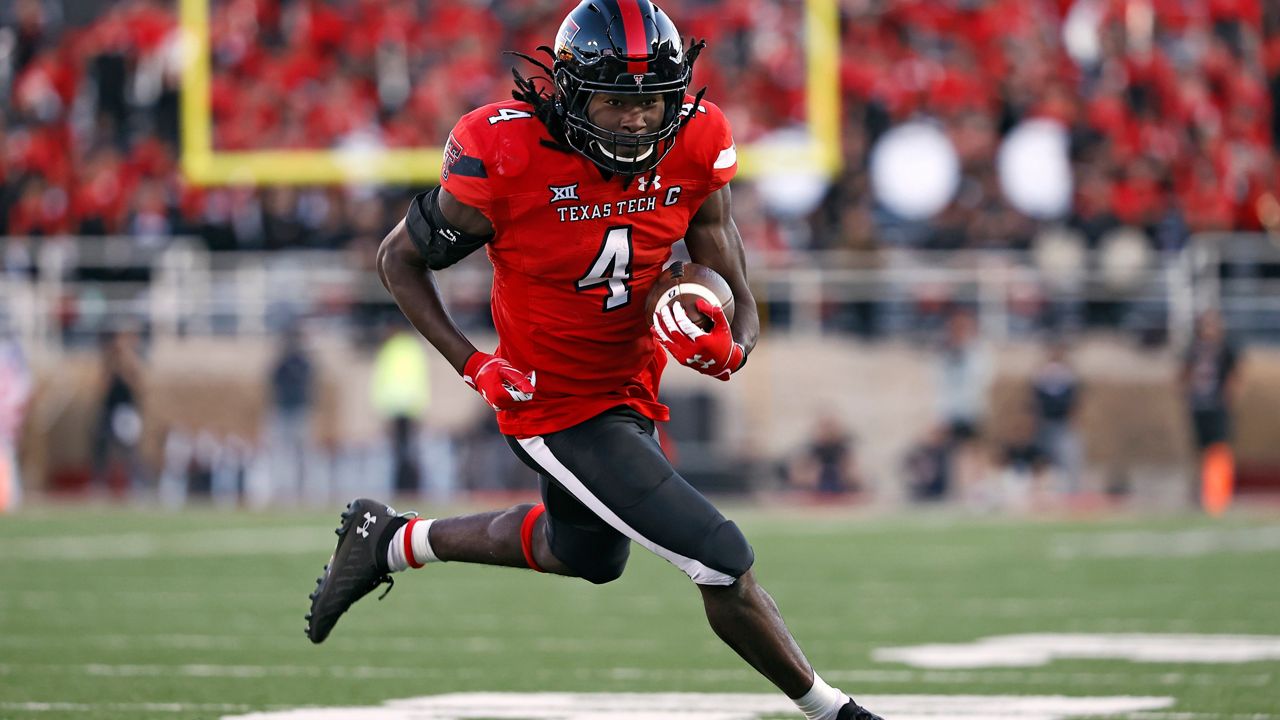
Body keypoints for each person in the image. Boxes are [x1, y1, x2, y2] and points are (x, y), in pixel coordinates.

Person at [304, 3, 883, 719]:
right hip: (553, 403)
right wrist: (473, 364)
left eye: (653, 103)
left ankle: (391, 540)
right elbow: (399, 259)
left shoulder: (697, 138)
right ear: (571, 92)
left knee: (587, 555)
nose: (640, 121)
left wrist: (738, 340)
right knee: (720, 557)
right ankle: (837, 713)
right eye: (616, 101)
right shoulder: (507, 153)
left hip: (632, 387)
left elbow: (719, 244)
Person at [1180, 309, 1242, 515]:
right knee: (1200, 451)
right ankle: (1202, 493)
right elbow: (1184, 375)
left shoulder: (1224, 349)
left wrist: (1228, 400)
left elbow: (1233, 378)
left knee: (1218, 450)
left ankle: (1218, 496)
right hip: (1199, 406)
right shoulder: (1194, 350)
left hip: (1217, 406)